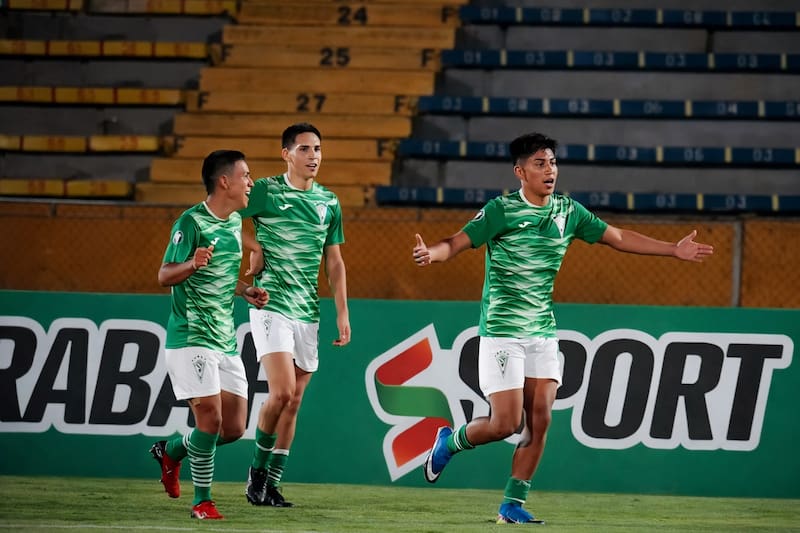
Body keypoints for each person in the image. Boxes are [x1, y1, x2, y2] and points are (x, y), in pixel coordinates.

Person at [413, 132, 714, 524]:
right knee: (507, 423)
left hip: (542, 332)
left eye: (552, 162)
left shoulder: (568, 212)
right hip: (502, 331)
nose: (549, 170)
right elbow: (455, 242)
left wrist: (673, 249)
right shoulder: (501, 210)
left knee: (541, 418)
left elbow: (618, 237)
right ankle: (448, 443)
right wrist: (430, 254)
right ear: (520, 172)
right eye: (539, 164)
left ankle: (512, 505)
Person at [150, 150, 269, 520]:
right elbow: (164, 275)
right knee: (210, 422)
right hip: (191, 338)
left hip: (225, 341)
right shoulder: (191, 222)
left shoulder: (233, 222)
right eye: (245, 175)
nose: (251, 182)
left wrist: (243, 290)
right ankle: (202, 501)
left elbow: (216, 276)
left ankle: (172, 451)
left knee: (233, 428)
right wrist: (191, 262)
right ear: (224, 181)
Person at [239, 122, 351, 507]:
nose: (313, 156)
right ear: (286, 154)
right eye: (304, 149)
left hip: (308, 310)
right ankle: (255, 473)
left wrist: (342, 314)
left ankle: (272, 483)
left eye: (317, 148)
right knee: (281, 391)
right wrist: (254, 246)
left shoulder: (329, 202)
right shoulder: (267, 190)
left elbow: (334, 262)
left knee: (295, 400)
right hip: (271, 304)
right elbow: (221, 217)